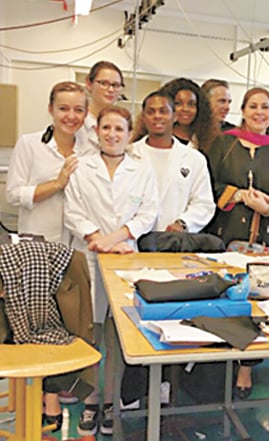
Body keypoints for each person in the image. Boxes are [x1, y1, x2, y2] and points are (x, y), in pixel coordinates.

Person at [64, 106, 159, 436]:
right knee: (90, 336)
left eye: (120, 129)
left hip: (125, 258)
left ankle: (110, 403)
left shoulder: (141, 169)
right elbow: (72, 212)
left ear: (129, 133)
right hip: (89, 258)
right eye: (107, 128)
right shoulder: (82, 168)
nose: (113, 134)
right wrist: (96, 240)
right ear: (97, 131)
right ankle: (90, 401)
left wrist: (114, 239)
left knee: (118, 338)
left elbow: (148, 214)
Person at [206, 87, 269, 399]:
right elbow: (210, 183)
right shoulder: (224, 143)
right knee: (229, 300)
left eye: (266, 107)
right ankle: (218, 363)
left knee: (257, 305)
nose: (260, 112)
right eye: (254, 106)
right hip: (228, 234)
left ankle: (247, 366)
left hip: (268, 239)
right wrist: (238, 194)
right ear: (243, 111)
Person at [6, 81, 88, 245]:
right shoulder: (29, 144)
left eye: (78, 110)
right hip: (37, 243)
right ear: (51, 109)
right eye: (63, 108)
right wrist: (57, 184)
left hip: (77, 244)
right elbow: (13, 195)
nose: (71, 116)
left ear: (86, 114)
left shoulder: (90, 150)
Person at [132, 90, 215, 234]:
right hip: (131, 240)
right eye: (151, 112)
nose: (157, 116)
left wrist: (182, 223)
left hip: (172, 241)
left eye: (163, 111)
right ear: (144, 117)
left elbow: (204, 203)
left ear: (174, 116)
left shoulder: (194, 159)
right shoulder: (129, 154)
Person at [78, 61, 124, 155]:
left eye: (115, 85)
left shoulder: (123, 124)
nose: (111, 90)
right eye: (104, 83)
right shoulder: (76, 123)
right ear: (89, 84)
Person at [159, 77, 214, 152]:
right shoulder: (157, 138)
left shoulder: (205, 141)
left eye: (191, 104)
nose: (185, 109)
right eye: (178, 104)